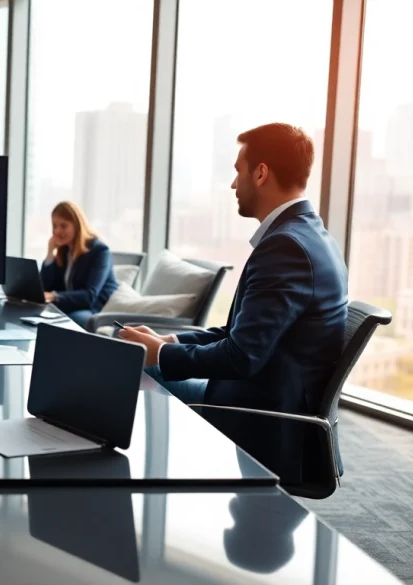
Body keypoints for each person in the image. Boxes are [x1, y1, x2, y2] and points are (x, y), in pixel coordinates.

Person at [118, 122, 348, 484]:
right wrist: (168, 343)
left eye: (237, 171)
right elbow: (239, 334)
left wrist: (158, 356)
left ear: (260, 173)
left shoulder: (285, 247)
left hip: (262, 416)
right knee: (148, 363)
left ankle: (131, 477)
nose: (232, 184)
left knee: (140, 369)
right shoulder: (309, 235)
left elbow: (242, 357)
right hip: (270, 398)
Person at [40, 201, 119, 326]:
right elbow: (45, 288)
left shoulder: (99, 251)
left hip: (95, 309)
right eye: (55, 226)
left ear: (77, 225)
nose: (57, 231)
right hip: (72, 306)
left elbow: (89, 296)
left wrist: (55, 296)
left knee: (74, 319)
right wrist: (50, 254)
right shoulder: (65, 250)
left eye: (63, 226)